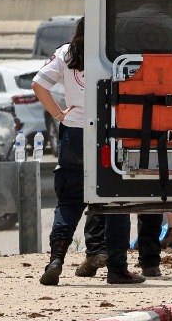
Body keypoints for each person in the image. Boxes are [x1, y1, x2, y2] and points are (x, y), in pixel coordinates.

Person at [31, 17, 143, 286]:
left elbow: (38, 84)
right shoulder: (116, 55)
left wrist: (59, 114)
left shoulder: (66, 53)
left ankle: (56, 258)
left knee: (69, 201)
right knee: (116, 201)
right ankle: (117, 269)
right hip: (110, 134)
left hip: (74, 134)